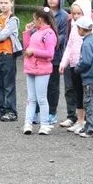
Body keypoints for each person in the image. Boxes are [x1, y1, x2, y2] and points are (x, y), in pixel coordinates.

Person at [59, 0, 93, 134]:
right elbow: (69, 47)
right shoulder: (74, 28)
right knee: (76, 93)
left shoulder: (91, 30)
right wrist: (63, 63)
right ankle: (80, 120)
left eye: (79, 13)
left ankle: (89, 123)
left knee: (87, 96)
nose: (75, 16)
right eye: (73, 13)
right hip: (74, 65)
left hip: (86, 68)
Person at [22, 7, 57, 135]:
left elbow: (50, 53)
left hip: (42, 70)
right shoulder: (35, 33)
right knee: (31, 98)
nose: (33, 22)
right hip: (31, 68)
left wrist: (34, 52)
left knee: (41, 98)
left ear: (40, 20)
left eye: (34, 19)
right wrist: (26, 33)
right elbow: (27, 48)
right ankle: (28, 123)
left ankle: (44, 124)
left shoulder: (49, 34)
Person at [38, 0, 68, 125]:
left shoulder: (63, 16)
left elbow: (62, 36)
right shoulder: (43, 13)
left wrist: (49, 42)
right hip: (40, 56)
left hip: (55, 56)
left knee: (53, 85)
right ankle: (38, 112)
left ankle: (52, 112)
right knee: (40, 84)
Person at [74, 16, 93, 138]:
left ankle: (92, 128)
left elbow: (86, 61)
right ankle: (89, 125)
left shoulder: (86, 43)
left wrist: (77, 68)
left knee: (91, 103)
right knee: (91, 102)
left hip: (90, 77)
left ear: (81, 29)